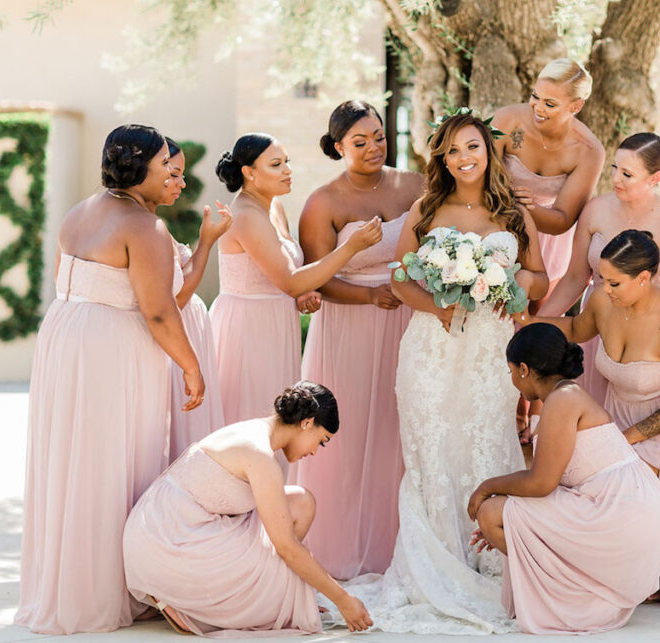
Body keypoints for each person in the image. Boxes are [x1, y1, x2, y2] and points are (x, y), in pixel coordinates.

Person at [339, 112, 548, 634]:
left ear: (488, 151)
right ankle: (431, 568)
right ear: (442, 158)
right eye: (452, 151)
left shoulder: (514, 215)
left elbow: (541, 279)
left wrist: (508, 277)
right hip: (432, 350)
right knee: (432, 452)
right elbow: (401, 276)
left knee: (486, 445)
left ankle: (489, 562)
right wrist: (437, 307)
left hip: (489, 354)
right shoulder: (425, 209)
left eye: (472, 147)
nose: (463, 159)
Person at [16, 124, 205, 634]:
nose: (173, 173)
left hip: (65, 335)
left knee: (74, 457)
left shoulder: (80, 210)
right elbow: (160, 312)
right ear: (139, 167)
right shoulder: (145, 228)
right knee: (112, 458)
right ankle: (105, 587)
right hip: (111, 345)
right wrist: (191, 366)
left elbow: (67, 280)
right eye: (167, 165)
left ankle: (72, 581)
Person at [520, 229, 660, 609]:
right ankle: (614, 580)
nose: (603, 289)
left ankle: (648, 581)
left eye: (613, 282)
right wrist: (529, 322)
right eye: (601, 280)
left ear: (643, 279)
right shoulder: (602, 300)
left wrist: (628, 439)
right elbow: (576, 329)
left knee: (637, 501)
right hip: (619, 418)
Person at [290, 101, 424, 579]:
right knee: (351, 430)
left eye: (379, 137)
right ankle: (341, 542)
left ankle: (397, 544)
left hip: (409, 317)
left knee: (397, 427)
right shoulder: (323, 203)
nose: (373, 148)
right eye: (360, 142)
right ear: (339, 146)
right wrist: (369, 299)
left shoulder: (414, 184)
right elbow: (316, 280)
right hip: (350, 326)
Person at [467, 323, 660, 634]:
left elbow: (541, 483)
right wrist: (521, 528)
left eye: (510, 371)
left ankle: (572, 600)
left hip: (619, 514)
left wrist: (485, 488)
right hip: (623, 509)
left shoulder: (562, 400)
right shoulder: (566, 396)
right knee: (502, 514)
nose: (511, 380)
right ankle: (578, 596)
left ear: (524, 369)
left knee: (491, 511)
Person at [123, 382, 373, 635]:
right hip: (168, 543)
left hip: (162, 529)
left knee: (301, 502)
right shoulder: (259, 454)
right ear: (307, 423)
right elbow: (286, 548)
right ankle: (190, 606)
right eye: (321, 441)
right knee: (288, 586)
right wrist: (341, 599)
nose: (314, 452)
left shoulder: (255, 432)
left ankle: (257, 597)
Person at [209, 133, 382, 452]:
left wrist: (301, 295)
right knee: (253, 417)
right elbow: (289, 280)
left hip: (276, 323)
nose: (287, 170)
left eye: (287, 161)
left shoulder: (273, 207)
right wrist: (351, 248)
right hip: (249, 328)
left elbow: (283, 275)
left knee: (276, 416)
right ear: (249, 172)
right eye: (276, 164)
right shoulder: (246, 215)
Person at [539, 133, 660, 405]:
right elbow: (575, 276)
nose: (616, 179)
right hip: (594, 325)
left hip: (644, 336)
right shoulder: (595, 209)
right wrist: (541, 321)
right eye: (614, 168)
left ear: (654, 178)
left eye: (627, 174)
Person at [493, 58, 605, 298]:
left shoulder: (588, 151)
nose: (538, 108)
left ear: (575, 106)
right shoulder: (507, 120)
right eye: (535, 96)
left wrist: (525, 208)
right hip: (494, 224)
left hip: (548, 243)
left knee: (534, 325)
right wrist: (507, 204)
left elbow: (563, 219)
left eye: (550, 104)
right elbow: (476, 179)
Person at [152, 138, 231, 460]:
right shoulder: (146, 228)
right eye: (174, 173)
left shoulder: (156, 224)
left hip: (186, 336)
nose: (182, 183)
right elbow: (176, 298)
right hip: (173, 344)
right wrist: (207, 243)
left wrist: (206, 239)